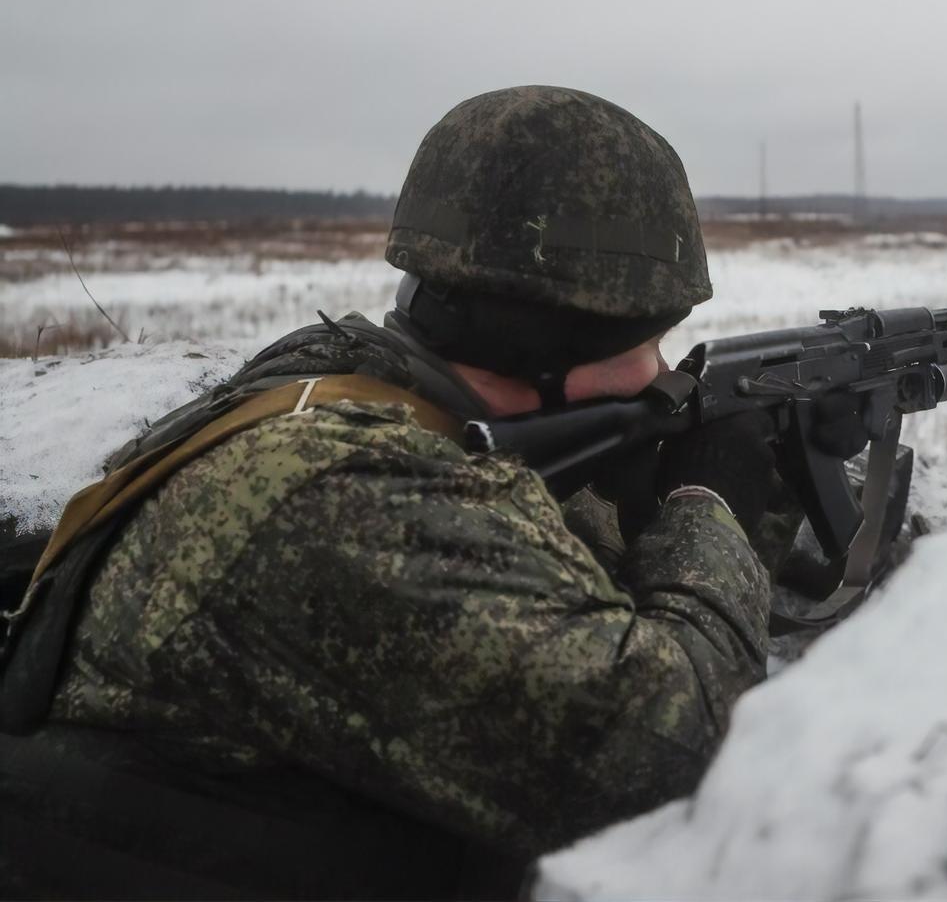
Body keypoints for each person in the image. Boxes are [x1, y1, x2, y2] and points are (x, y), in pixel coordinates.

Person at [0, 86, 776, 899]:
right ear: (547, 340)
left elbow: (534, 559)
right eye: (646, 340)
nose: (658, 372)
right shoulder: (343, 497)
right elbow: (666, 758)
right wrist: (708, 504)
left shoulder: (350, 386)